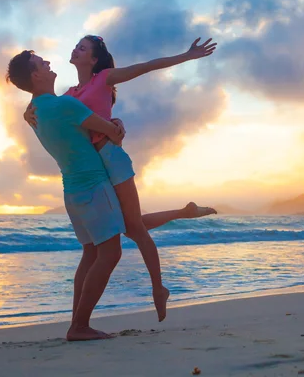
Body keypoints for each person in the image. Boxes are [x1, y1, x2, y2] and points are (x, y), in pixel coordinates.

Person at [24, 36, 218, 322]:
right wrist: (28, 111)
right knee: (129, 225)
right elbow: (48, 108)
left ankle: (158, 288)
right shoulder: (68, 94)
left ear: (93, 59)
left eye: (83, 48)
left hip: (112, 158)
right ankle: (184, 211)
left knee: (135, 229)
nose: (76, 49)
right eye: (76, 45)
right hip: (94, 168)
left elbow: (147, 66)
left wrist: (186, 56)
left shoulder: (105, 77)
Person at [6, 50, 126, 341]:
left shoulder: (34, 111)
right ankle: (80, 325)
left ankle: (78, 323)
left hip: (72, 190)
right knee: (111, 253)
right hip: (93, 185)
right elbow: (112, 133)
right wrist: (117, 125)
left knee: (91, 253)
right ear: (36, 75)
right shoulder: (65, 105)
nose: (48, 63)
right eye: (42, 63)